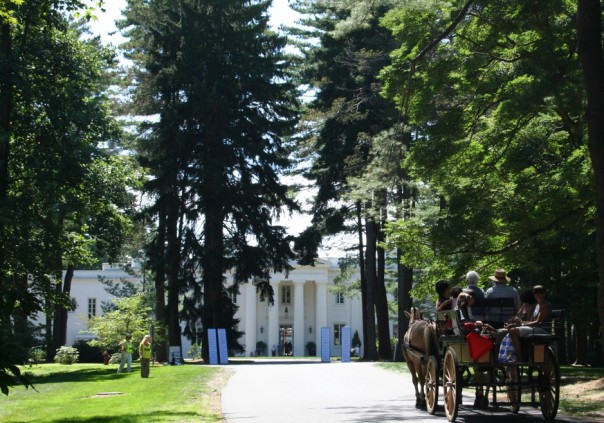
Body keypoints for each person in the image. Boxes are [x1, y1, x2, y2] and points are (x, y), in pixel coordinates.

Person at [507, 285, 552, 359]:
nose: (537, 295)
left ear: (544, 294)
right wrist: (520, 323)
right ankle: (512, 353)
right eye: (535, 293)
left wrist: (521, 324)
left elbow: (537, 322)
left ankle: (519, 356)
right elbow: (532, 321)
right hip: (536, 328)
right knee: (511, 327)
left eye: (540, 293)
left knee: (513, 330)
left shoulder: (545, 305)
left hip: (543, 329)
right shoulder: (537, 305)